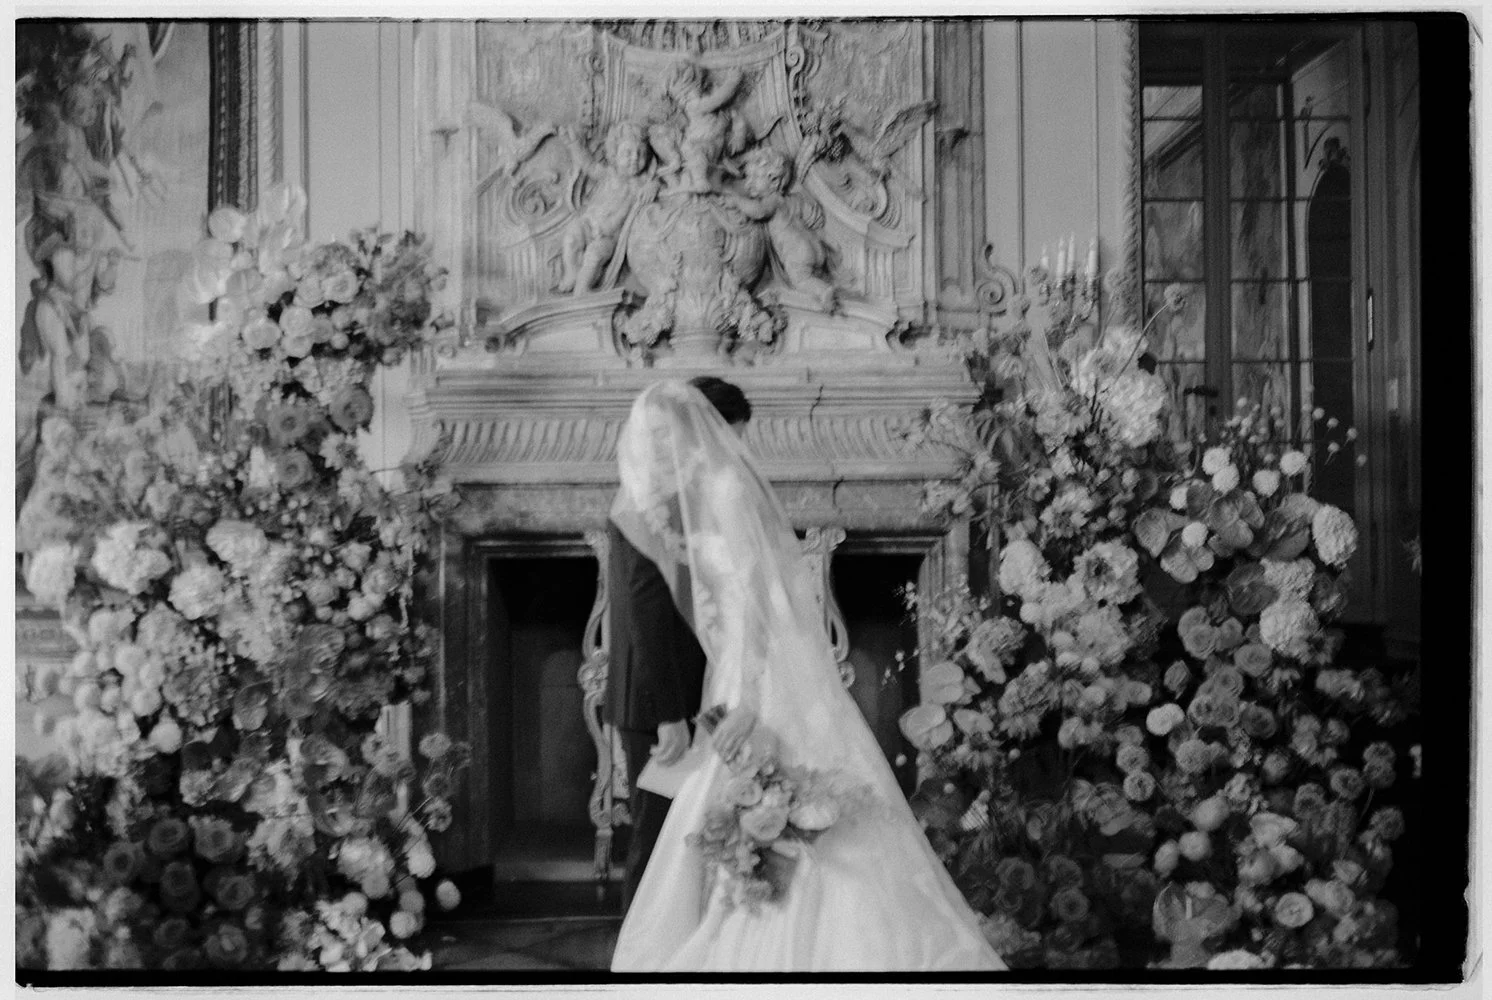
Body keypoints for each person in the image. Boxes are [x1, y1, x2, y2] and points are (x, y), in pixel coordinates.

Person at [608, 380, 1004, 972]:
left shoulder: (721, 490)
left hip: (750, 672)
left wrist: (745, 695)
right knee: (736, 797)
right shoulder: (698, 495)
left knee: (766, 787)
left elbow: (762, 602)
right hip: (730, 674)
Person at [603, 375, 753, 914]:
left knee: (681, 839)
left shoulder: (689, 502)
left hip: (693, 692)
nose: (735, 452)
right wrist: (669, 713)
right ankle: (636, 959)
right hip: (655, 700)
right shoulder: (648, 507)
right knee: (654, 839)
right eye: (729, 437)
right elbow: (646, 616)